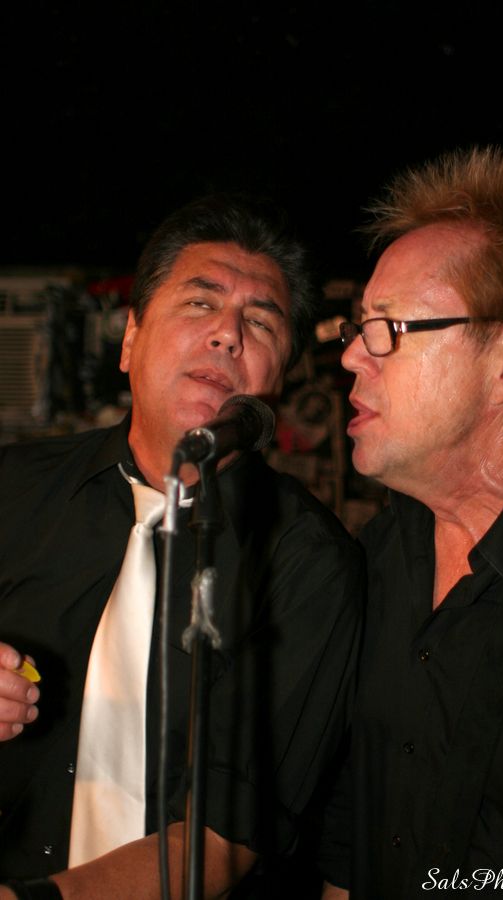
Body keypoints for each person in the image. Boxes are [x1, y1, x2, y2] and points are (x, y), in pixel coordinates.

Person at [0, 194, 364, 899]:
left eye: (261, 322)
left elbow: (228, 836)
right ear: (129, 339)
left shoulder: (310, 563)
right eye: (201, 303)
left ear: (278, 381)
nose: (228, 334)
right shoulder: (14, 489)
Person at [319, 147, 503, 897]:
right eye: (358, 327)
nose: (353, 357)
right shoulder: (378, 557)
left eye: (388, 327)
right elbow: (349, 824)